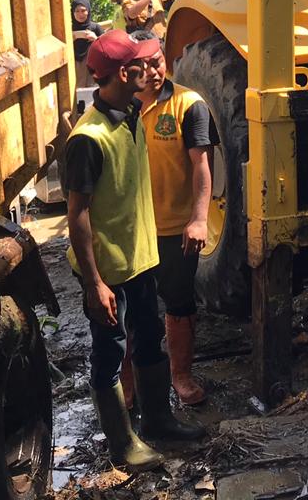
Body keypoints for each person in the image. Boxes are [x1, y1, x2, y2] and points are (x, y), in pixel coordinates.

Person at [65, 31, 203, 471]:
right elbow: (77, 214)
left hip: (140, 259)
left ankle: (158, 421)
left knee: (149, 341)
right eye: (141, 64)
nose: (150, 69)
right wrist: (94, 284)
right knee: (109, 353)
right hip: (109, 271)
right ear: (125, 74)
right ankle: (123, 444)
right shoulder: (89, 138)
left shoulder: (132, 116)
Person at [124, 32, 213, 406]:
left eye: (157, 62)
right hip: (131, 231)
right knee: (130, 310)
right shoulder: (121, 108)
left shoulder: (189, 105)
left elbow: (201, 165)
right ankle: (128, 385)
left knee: (178, 301)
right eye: (142, 66)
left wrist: (199, 219)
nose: (152, 72)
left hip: (175, 229)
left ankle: (181, 376)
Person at [71, 0, 101, 89]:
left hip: (92, 70)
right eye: (77, 11)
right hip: (74, 70)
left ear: (88, 11)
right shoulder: (68, 29)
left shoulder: (95, 28)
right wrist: (70, 39)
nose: (80, 14)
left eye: (83, 10)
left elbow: (107, 47)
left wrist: (96, 39)